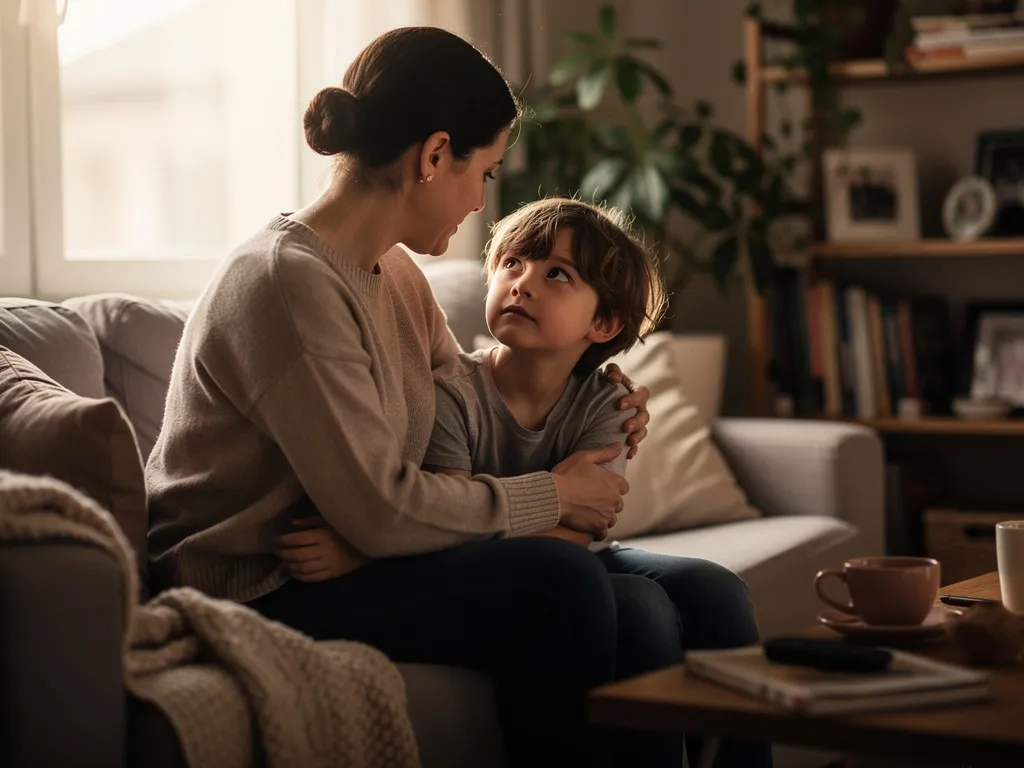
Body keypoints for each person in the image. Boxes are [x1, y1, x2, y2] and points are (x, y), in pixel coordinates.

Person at [146, 26, 653, 768]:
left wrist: (590, 380)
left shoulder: (394, 274)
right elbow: (381, 508)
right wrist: (554, 495)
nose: (482, 201)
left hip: (358, 558)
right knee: (564, 583)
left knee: (673, 599)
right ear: (435, 155)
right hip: (264, 585)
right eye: (484, 172)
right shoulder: (289, 284)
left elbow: (469, 392)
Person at [282, 198, 770, 768]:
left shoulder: (608, 402)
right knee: (641, 607)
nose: (523, 283)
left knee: (717, 590)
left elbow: (579, 535)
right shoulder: (452, 395)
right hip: (507, 572)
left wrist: (537, 522)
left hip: (558, 561)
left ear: (604, 324)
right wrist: (554, 501)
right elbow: (449, 533)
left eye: (556, 274)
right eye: (512, 264)